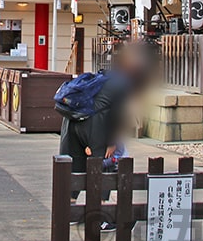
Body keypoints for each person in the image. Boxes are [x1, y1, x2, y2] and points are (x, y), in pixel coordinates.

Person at [59, 41, 157, 198]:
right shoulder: (123, 84)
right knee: (103, 167)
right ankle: (99, 211)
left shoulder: (104, 77)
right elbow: (116, 114)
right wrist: (111, 141)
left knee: (73, 166)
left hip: (72, 122)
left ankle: (69, 210)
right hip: (95, 125)